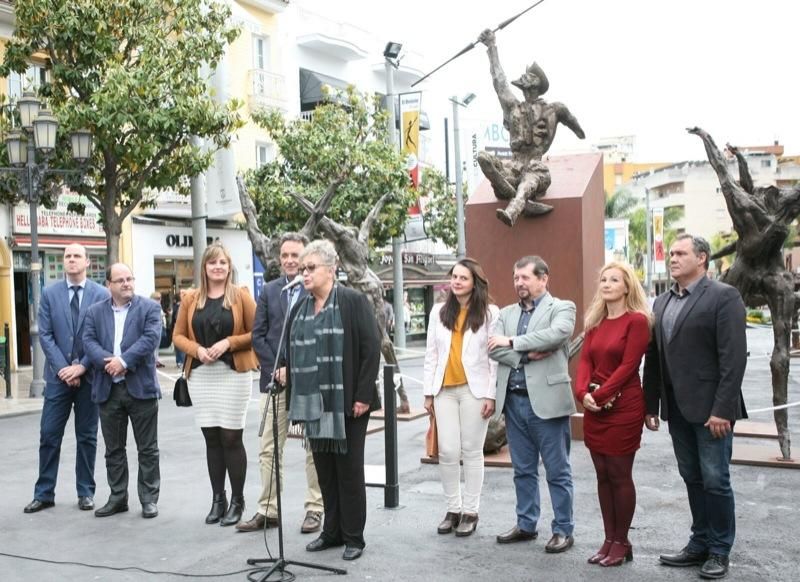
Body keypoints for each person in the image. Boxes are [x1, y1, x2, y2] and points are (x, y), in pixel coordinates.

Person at [643, 234, 747, 580]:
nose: (672, 258)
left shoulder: (723, 296)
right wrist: (651, 404)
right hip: (677, 409)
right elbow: (654, 358)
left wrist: (723, 410)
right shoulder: (660, 303)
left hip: (712, 411)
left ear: (701, 259)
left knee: (716, 480)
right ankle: (699, 542)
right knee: (692, 477)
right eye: (671, 253)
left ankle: (719, 550)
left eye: (681, 253)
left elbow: (732, 360)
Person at [285, 240, 380, 562]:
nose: (305, 274)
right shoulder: (299, 307)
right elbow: (291, 351)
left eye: (311, 268)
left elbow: (371, 348)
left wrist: (363, 396)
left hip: (349, 403)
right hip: (314, 405)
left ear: (331, 268)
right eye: (302, 269)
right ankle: (332, 531)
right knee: (325, 471)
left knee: (349, 471)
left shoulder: (353, 301)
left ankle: (354, 536)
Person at [237, 232, 325, 535]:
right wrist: (276, 368)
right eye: (285, 255)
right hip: (273, 380)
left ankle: (315, 508)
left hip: (309, 381)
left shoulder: (316, 291)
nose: (289, 260)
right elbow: (258, 334)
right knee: (269, 448)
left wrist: (295, 369)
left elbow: (320, 338)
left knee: (314, 447)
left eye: (295, 256)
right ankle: (268, 509)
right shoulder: (270, 290)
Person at [488, 255, 577, 553]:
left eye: (525, 277)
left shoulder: (562, 308)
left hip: (548, 405)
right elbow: (491, 347)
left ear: (543, 278)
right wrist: (526, 354)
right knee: (522, 470)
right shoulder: (505, 313)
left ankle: (563, 529)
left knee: (557, 471)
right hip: (514, 404)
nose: (519, 283)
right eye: (516, 278)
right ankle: (526, 524)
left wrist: (512, 343)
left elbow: (557, 335)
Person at [172, 243, 258, 527]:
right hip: (201, 374)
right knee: (211, 438)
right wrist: (197, 350)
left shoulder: (241, 296)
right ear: (204, 267)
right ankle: (217, 499)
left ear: (229, 265)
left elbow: (256, 331)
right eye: (212, 263)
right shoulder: (190, 299)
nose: (218, 267)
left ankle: (238, 500)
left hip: (233, 373)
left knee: (231, 438)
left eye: (222, 262)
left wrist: (227, 343)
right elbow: (178, 336)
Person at [574, 262, 651, 567]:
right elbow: (583, 364)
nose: (606, 284)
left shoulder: (638, 322)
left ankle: (622, 541)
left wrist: (600, 394)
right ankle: (609, 539)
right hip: (595, 408)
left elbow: (628, 367)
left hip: (624, 408)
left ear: (627, 287)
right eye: (603, 279)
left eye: (614, 280)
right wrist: (582, 394)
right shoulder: (596, 322)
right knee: (602, 475)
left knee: (619, 475)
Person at [23, 244, 109, 514]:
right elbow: (45, 335)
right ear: (63, 263)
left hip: (90, 377)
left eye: (76, 256)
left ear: (87, 262)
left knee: (87, 437)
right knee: (49, 435)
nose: (71, 260)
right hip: (58, 379)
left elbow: (102, 336)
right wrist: (64, 369)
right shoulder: (49, 293)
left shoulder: (101, 294)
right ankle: (44, 492)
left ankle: (85, 491)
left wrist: (82, 367)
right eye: (67, 257)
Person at [477, 28, 585, 227]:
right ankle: (519, 199)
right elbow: (499, 82)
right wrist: (492, 47)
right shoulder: (513, 107)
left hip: (536, 168)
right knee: (484, 158)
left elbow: (576, 126)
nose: (523, 81)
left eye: (527, 78)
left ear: (535, 84)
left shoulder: (554, 110)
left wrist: (576, 128)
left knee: (530, 180)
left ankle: (515, 208)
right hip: (514, 168)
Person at [423, 258, 498, 537]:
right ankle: (452, 509)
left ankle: (471, 510)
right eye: (454, 277)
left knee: (471, 451)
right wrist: (428, 393)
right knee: (448, 451)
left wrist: (490, 395)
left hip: (474, 391)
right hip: (444, 390)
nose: (456, 282)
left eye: (463, 278)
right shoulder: (438, 312)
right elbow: (431, 354)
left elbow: (494, 360)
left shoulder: (490, 313)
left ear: (474, 282)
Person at [83, 263, 162, 519]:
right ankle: (118, 497)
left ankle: (149, 499)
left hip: (141, 388)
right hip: (108, 388)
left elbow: (150, 339)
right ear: (109, 285)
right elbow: (88, 341)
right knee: (113, 449)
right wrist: (111, 363)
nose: (127, 283)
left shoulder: (149, 308)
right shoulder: (95, 312)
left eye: (130, 278)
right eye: (120, 280)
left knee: (147, 448)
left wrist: (124, 361)